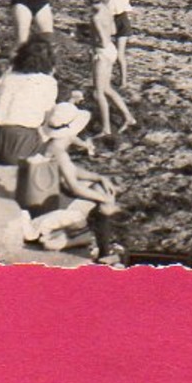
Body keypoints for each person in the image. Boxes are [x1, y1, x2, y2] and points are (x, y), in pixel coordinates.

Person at [17, 102, 123, 263]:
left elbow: (71, 170)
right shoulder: (60, 153)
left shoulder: (50, 145)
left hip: (41, 196)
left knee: (99, 188)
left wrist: (98, 177)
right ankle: (104, 252)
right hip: (49, 205)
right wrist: (104, 199)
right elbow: (74, 187)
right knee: (104, 199)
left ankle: (97, 238)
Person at [0, 37, 59, 165]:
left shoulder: (8, 77)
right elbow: (51, 117)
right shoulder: (47, 82)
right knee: (64, 129)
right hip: (20, 141)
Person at [79, 0, 135, 137]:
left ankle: (106, 128)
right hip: (111, 50)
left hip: (102, 52)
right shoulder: (106, 10)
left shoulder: (95, 17)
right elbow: (113, 30)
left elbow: (102, 40)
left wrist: (89, 40)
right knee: (107, 89)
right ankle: (128, 117)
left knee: (98, 93)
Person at [95, 0, 134, 89]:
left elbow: (124, 1)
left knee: (120, 53)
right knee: (106, 50)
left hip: (120, 17)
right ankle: (107, 77)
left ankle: (123, 80)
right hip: (107, 18)